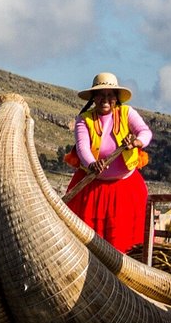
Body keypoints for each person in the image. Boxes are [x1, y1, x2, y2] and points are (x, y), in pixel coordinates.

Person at [63, 71, 152, 253]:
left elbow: (145, 132)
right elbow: (82, 147)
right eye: (100, 95)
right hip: (91, 189)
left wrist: (136, 142)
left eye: (110, 95)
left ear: (116, 98)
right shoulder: (84, 119)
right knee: (87, 239)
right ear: (94, 98)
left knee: (124, 241)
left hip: (125, 189)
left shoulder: (127, 113)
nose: (105, 99)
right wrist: (91, 164)